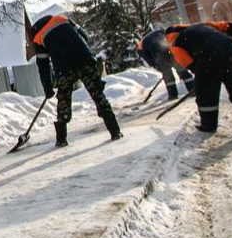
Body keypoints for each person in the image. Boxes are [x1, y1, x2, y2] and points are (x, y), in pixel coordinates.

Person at [29, 13, 122, 147]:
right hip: (85, 59)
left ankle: (61, 139)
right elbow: (85, 36)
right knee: (97, 95)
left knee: (64, 100)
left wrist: (48, 89)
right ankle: (115, 131)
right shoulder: (62, 18)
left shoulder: (38, 38)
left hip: (64, 68)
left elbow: (43, 66)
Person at [165, 21, 232, 132]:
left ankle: (208, 125)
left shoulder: (175, 44)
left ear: (168, 37)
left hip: (208, 54)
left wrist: (204, 77)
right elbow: (229, 26)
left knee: (205, 92)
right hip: (228, 46)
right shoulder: (204, 25)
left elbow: (190, 64)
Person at [138, 28, 195, 100]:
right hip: (168, 46)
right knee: (181, 69)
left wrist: (159, 67)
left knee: (167, 74)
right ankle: (193, 90)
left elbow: (150, 60)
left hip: (157, 50)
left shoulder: (141, 47)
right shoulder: (161, 32)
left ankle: (173, 95)